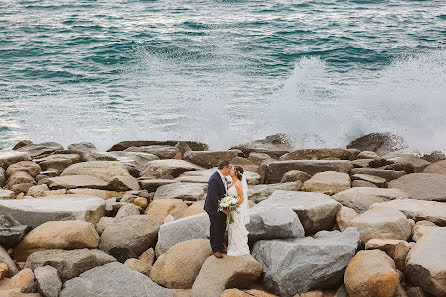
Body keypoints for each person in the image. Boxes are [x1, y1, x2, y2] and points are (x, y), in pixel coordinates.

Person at [204, 160, 231, 258]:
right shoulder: (214, 179)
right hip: (213, 208)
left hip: (222, 206)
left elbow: (223, 193)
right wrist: (222, 208)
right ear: (225, 168)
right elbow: (213, 196)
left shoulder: (223, 178)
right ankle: (215, 248)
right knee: (215, 228)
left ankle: (220, 245)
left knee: (222, 227)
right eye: (229, 168)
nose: (230, 170)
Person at [226, 166, 250, 256]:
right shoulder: (232, 183)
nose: (230, 170)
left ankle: (239, 248)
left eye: (232, 170)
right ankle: (233, 246)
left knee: (237, 227)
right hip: (232, 209)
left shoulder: (238, 184)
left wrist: (233, 207)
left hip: (236, 210)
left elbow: (242, 198)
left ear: (236, 173)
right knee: (232, 227)